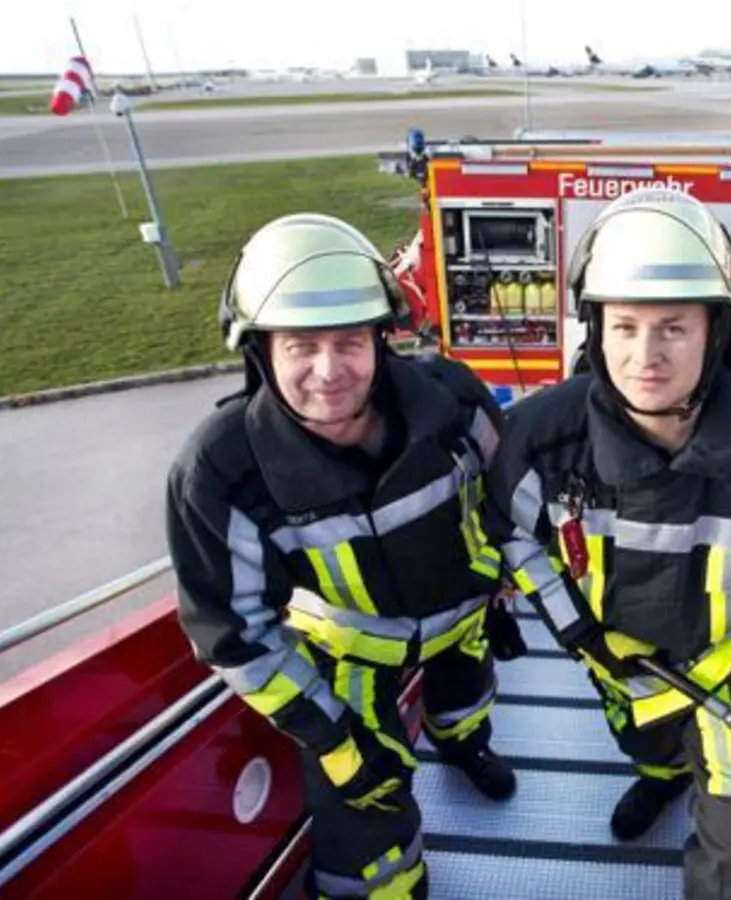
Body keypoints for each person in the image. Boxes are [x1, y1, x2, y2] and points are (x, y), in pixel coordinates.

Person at [483, 189, 731, 899]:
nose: (646, 357)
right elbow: (510, 537)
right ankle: (661, 777)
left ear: (716, 330)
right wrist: (578, 632)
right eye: (624, 326)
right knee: (648, 747)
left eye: (673, 328)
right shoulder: (539, 439)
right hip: (618, 663)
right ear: (594, 329)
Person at [165, 212, 525, 899]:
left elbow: (507, 503)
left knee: (466, 701)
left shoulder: (453, 403)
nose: (329, 371)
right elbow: (233, 634)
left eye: (349, 341)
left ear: (381, 340)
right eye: (301, 346)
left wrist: (504, 586)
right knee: (364, 811)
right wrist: (331, 739)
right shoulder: (221, 472)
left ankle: (466, 745)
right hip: (346, 665)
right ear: (259, 350)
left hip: (463, 625)